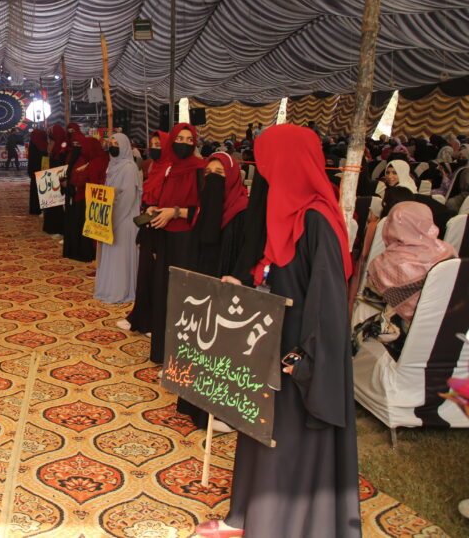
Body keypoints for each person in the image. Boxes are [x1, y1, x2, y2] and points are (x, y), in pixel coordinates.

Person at [197, 124, 360, 538]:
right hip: (272, 344)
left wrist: (304, 358)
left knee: (287, 439)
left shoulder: (317, 220)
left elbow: (326, 303)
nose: (263, 174)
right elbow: (276, 274)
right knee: (259, 431)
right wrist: (245, 286)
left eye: (268, 164)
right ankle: (244, 515)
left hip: (299, 355)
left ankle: (278, 524)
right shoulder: (285, 214)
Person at [176, 151, 249, 430]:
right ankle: (191, 401)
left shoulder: (242, 211)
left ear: (232, 177)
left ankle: (219, 411)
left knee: (222, 348)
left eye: (220, 174)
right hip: (201, 287)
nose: (213, 179)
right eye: (208, 174)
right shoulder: (204, 207)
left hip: (226, 288)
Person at [144, 123, 205, 365]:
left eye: (189, 140)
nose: (184, 143)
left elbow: (204, 210)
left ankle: (180, 358)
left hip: (186, 241)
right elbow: (165, 199)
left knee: (182, 298)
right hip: (164, 236)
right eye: (179, 138)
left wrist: (176, 212)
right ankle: (162, 352)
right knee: (163, 294)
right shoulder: (170, 168)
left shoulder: (200, 169)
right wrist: (156, 208)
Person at [369, 201, 457, 322]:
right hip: (445, 322)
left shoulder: (384, 264)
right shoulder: (448, 250)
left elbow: (371, 300)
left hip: (400, 328)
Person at [123, 130, 171, 334]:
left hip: (161, 228)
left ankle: (152, 322)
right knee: (144, 275)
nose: (155, 148)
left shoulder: (171, 169)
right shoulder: (154, 167)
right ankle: (139, 317)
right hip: (148, 225)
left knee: (154, 277)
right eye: (153, 145)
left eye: (160, 145)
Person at [94, 133, 141, 304]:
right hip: (111, 216)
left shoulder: (129, 167)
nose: (113, 147)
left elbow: (127, 198)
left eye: (117, 144)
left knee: (120, 257)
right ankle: (109, 288)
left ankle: (120, 291)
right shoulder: (112, 164)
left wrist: (112, 220)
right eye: (111, 143)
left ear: (125, 147)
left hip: (123, 218)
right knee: (111, 256)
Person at [63, 136, 109, 262]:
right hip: (97, 199)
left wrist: (76, 179)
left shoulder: (94, 162)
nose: (81, 150)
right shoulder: (99, 159)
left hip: (87, 198)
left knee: (83, 227)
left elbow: (83, 181)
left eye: (82, 146)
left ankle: (85, 253)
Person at [42, 124, 68, 236]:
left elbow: (63, 164)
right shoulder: (54, 146)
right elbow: (49, 155)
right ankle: (52, 227)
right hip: (51, 178)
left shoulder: (63, 147)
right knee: (52, 204)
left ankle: (59, 228)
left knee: (58, 205)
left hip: (60, 179)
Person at [27, 128, 48, 215]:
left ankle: (34, 209)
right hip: (43, 170)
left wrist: (30, 171)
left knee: (34, 190)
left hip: (34, 170)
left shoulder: (33, 143)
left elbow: (31, 159)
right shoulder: (44, 144)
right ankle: (43, 208)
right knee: (43, 190)